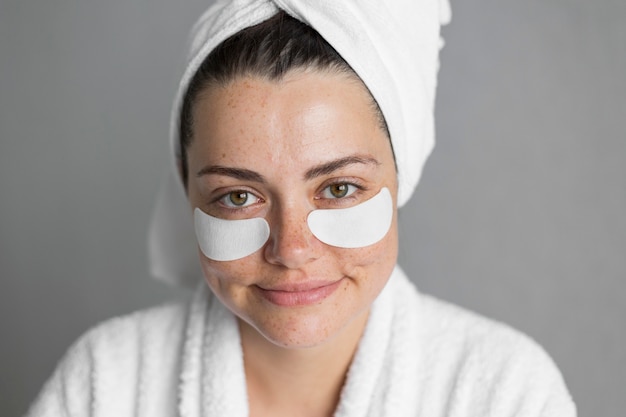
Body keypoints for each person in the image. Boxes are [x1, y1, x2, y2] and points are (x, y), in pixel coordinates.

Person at [26, 1, 577, 416]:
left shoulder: (503, 391)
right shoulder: (105, 385)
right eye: (238, 197)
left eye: (339, 189)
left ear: (399, 174)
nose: (290, 250)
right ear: (187, 190)